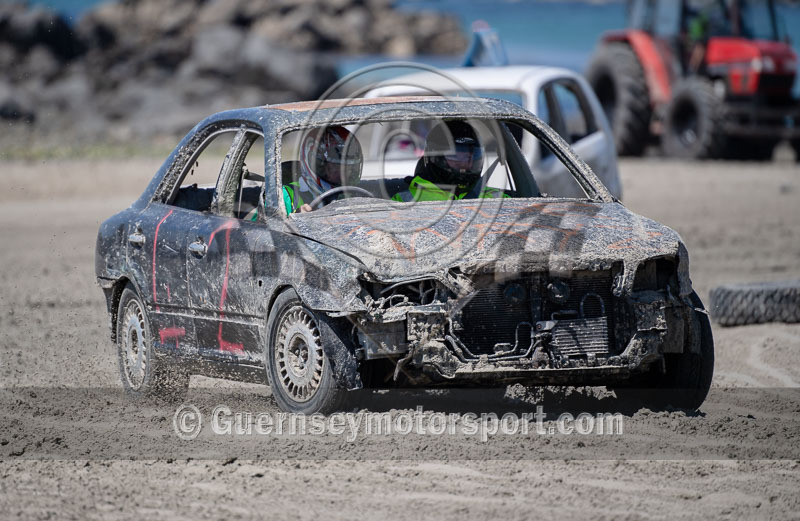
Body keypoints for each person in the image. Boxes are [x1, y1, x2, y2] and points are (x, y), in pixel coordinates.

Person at [391, 120, 507, 202]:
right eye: (455, 156)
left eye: (469, 157)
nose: (463, 164)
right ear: (435, 157)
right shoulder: (405, 201)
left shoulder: (497, 199)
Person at [283, 126, 364, 214]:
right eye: (337, 167)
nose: (345, 174)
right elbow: (270, 224)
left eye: (350, 168)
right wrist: (296, 216)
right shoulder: (286, 195)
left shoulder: (358, 195)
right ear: (317, 164)